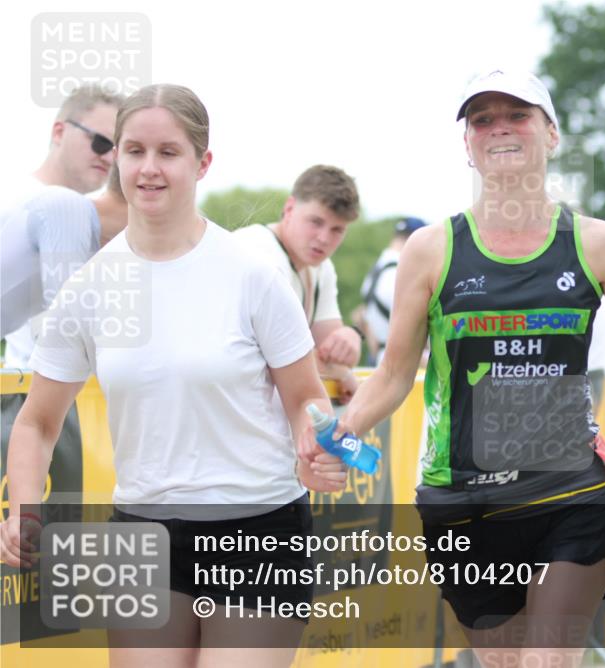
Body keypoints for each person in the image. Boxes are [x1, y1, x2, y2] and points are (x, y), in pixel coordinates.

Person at [317, 69, 605, 667]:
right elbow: (391, 376)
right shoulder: (432, 249)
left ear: (552, 134)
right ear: (467, 144)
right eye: (482, 119)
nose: (499, 129)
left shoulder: (595, 242)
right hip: (462, 502)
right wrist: (340, 436)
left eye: (517, 115)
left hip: (570, 491)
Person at [0, 84, 346, 665]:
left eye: (168, 152)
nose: (149, 168)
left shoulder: (251, 274)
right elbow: (36, 423)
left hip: (258, 530)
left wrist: (318, 448)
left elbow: (305, 399)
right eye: (135, 150)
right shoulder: (89, 288)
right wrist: (24, 510)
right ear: (118, 158)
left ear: (202, 162)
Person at [2, 85, 124, 365]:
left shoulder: (66, 210)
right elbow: (65, 331)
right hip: (31, 379)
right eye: (100, 142)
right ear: (59, 132)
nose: (108, 158)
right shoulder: (48, 205)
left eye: (116, 151)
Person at [232, 165, 362, 399]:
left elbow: (329, 352)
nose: (324, 238)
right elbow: (285, 359)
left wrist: (350, 338)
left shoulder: (321, 268)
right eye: (316, 222)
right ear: (289, 208)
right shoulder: (259, 254)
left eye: (337, 230)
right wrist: (343, 373)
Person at [356, 216, 428, 364]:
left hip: (382, 358)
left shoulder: (377, 270)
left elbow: (361, 316)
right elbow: (411, 328)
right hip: (402, 362)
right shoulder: (398, 273)